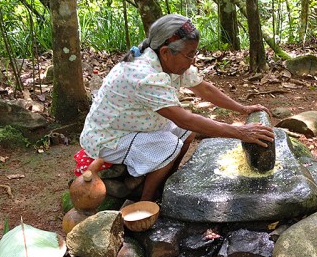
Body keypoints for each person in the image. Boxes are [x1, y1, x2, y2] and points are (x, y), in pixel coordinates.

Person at [79, 13, 274, 201]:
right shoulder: (144, 76)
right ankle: (147, 200)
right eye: (190, 55)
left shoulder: (169, 61)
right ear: (165, 52)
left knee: (186, 133)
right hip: (110, 137)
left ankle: (167, 180)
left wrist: (241, 109)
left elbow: (204, 89)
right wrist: (241, 132)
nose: (193, 61)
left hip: (136, 126)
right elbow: (183, 118)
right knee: (169, 146)